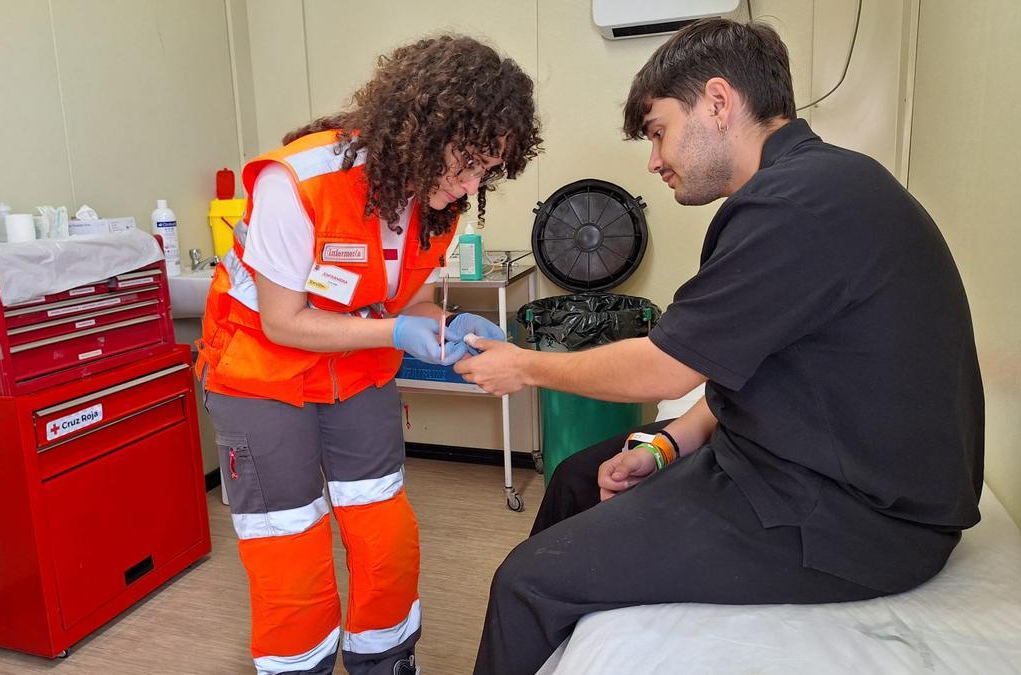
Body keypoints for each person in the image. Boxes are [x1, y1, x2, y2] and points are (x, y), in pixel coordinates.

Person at [454, 18, 984, 675]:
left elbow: (663, 366)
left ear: (717, 102)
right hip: (799, 462)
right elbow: (744, 364)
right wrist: (672, 443)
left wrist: (522, 363)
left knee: (525, 583)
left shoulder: (796, 208)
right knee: (570, 480)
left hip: (856, 521)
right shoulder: (817, 187)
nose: (653, 160)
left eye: (658, 132)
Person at [195, 34, 541, 675]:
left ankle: (385, 660)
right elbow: (284, 321)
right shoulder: (299, 181)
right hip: (262, 379)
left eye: (488, 171)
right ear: (421, 131)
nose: (472, 184)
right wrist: (395, 336)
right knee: (289, 544)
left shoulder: (437, 205)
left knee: (384, 532)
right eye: (465, 164)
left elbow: (389, 300)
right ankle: (299, 667)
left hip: (353, 376)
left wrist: (440, 322)